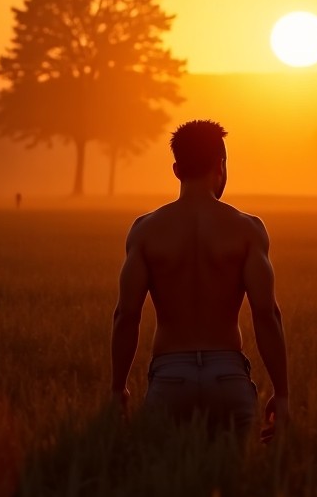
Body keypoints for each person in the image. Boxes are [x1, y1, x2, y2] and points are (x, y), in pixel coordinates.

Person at [110, 119, 289, 436]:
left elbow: (126, 315)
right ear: (220, 166)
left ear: (176, 170)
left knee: (161, 476)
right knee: (233, 479)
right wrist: (283, 394)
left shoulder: (145, 230)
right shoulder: (247, 229)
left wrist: (118, 390)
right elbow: (266, 314)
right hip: (228, 377)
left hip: (170, 377)